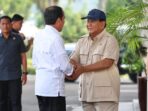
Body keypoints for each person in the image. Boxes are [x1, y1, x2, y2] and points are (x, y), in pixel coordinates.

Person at [68, 9, 120, 111]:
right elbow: (73, 59)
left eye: (93, 21)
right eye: (88, 21)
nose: (89, 24)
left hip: (105, 95)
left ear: (102, 23)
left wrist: (82, 69)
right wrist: (70, 69)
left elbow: (107, 62)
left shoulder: (110, 40)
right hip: (86, 94)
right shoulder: (82, 41)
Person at [32, 6, 74, 111]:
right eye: (64, 19)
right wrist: (72, 69)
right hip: (53, 89)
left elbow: (35, 61)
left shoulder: (38, 35)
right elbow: (65, 66)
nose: (64, 22)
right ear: (59, 20)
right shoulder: (56, 37)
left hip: (40, 88)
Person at [0, 16, 27, 111]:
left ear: (11, 24)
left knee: (15, 102)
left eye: (7, 23)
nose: (5, 26)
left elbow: (23, 56)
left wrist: (24, 73)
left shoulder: (18, 38)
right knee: (2, 102)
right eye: (2, 24)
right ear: (0, 25)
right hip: (1, 77)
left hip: (15, 77)